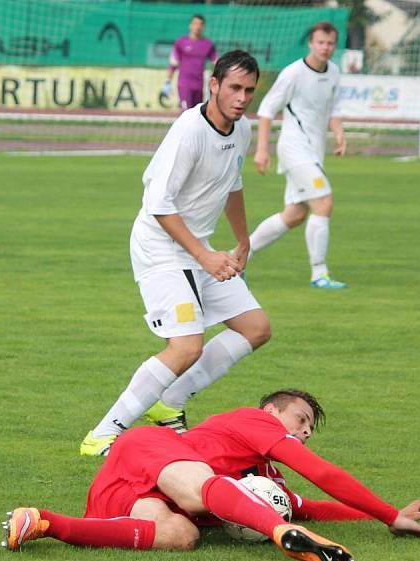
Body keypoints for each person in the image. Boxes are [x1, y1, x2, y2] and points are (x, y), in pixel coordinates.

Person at [4, 389, 420, 561]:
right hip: (147, 450)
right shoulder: (254, 421)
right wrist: (388, 514)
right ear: (273, 412)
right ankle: (280, 533)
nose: (306, 430)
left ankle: (42, 522)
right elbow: (320, 473)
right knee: (201, 493)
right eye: (301, 418)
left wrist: (384, 518)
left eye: (310, 427)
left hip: (130, 497)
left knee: (182, 535)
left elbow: (311, 504)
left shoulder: (266, 477)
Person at [80, 51, 271, 458]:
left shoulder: (242, 130)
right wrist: (204, 256)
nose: (242, 98)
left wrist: (243, 240)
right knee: (186, 346)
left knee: (255, 327)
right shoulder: (189, 130)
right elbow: (159, 205)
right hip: (161, 247)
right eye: (234, 88)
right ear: (214, 85)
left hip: (198, 246)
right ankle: (103, 432)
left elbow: (233, 185)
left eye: (249, 90)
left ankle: (170, 401)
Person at [247, 21, 349, 289]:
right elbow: (267, 109)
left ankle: (241, 256)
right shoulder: (293, 73)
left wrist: (338, 132)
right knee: (324, 201)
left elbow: (334, 108)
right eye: (320, 43)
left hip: (314, 152)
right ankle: (320, 273)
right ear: (311, 44)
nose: (325, 48)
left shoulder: (335, 72)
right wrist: (261, 149)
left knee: (294, 215)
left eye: (330, 44)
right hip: (294, 149)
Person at [162, 14, 218, 110]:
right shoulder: (181, 42)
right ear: (190, 25)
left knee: (197, 114)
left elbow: (217, 63)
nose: (197, 26)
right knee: (186, 113)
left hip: (200, 85)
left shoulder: (208, 44)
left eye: (200, 24)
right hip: (184, 84)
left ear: (203, 27)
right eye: (195, 23)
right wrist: (168, 82)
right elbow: (173, 64)